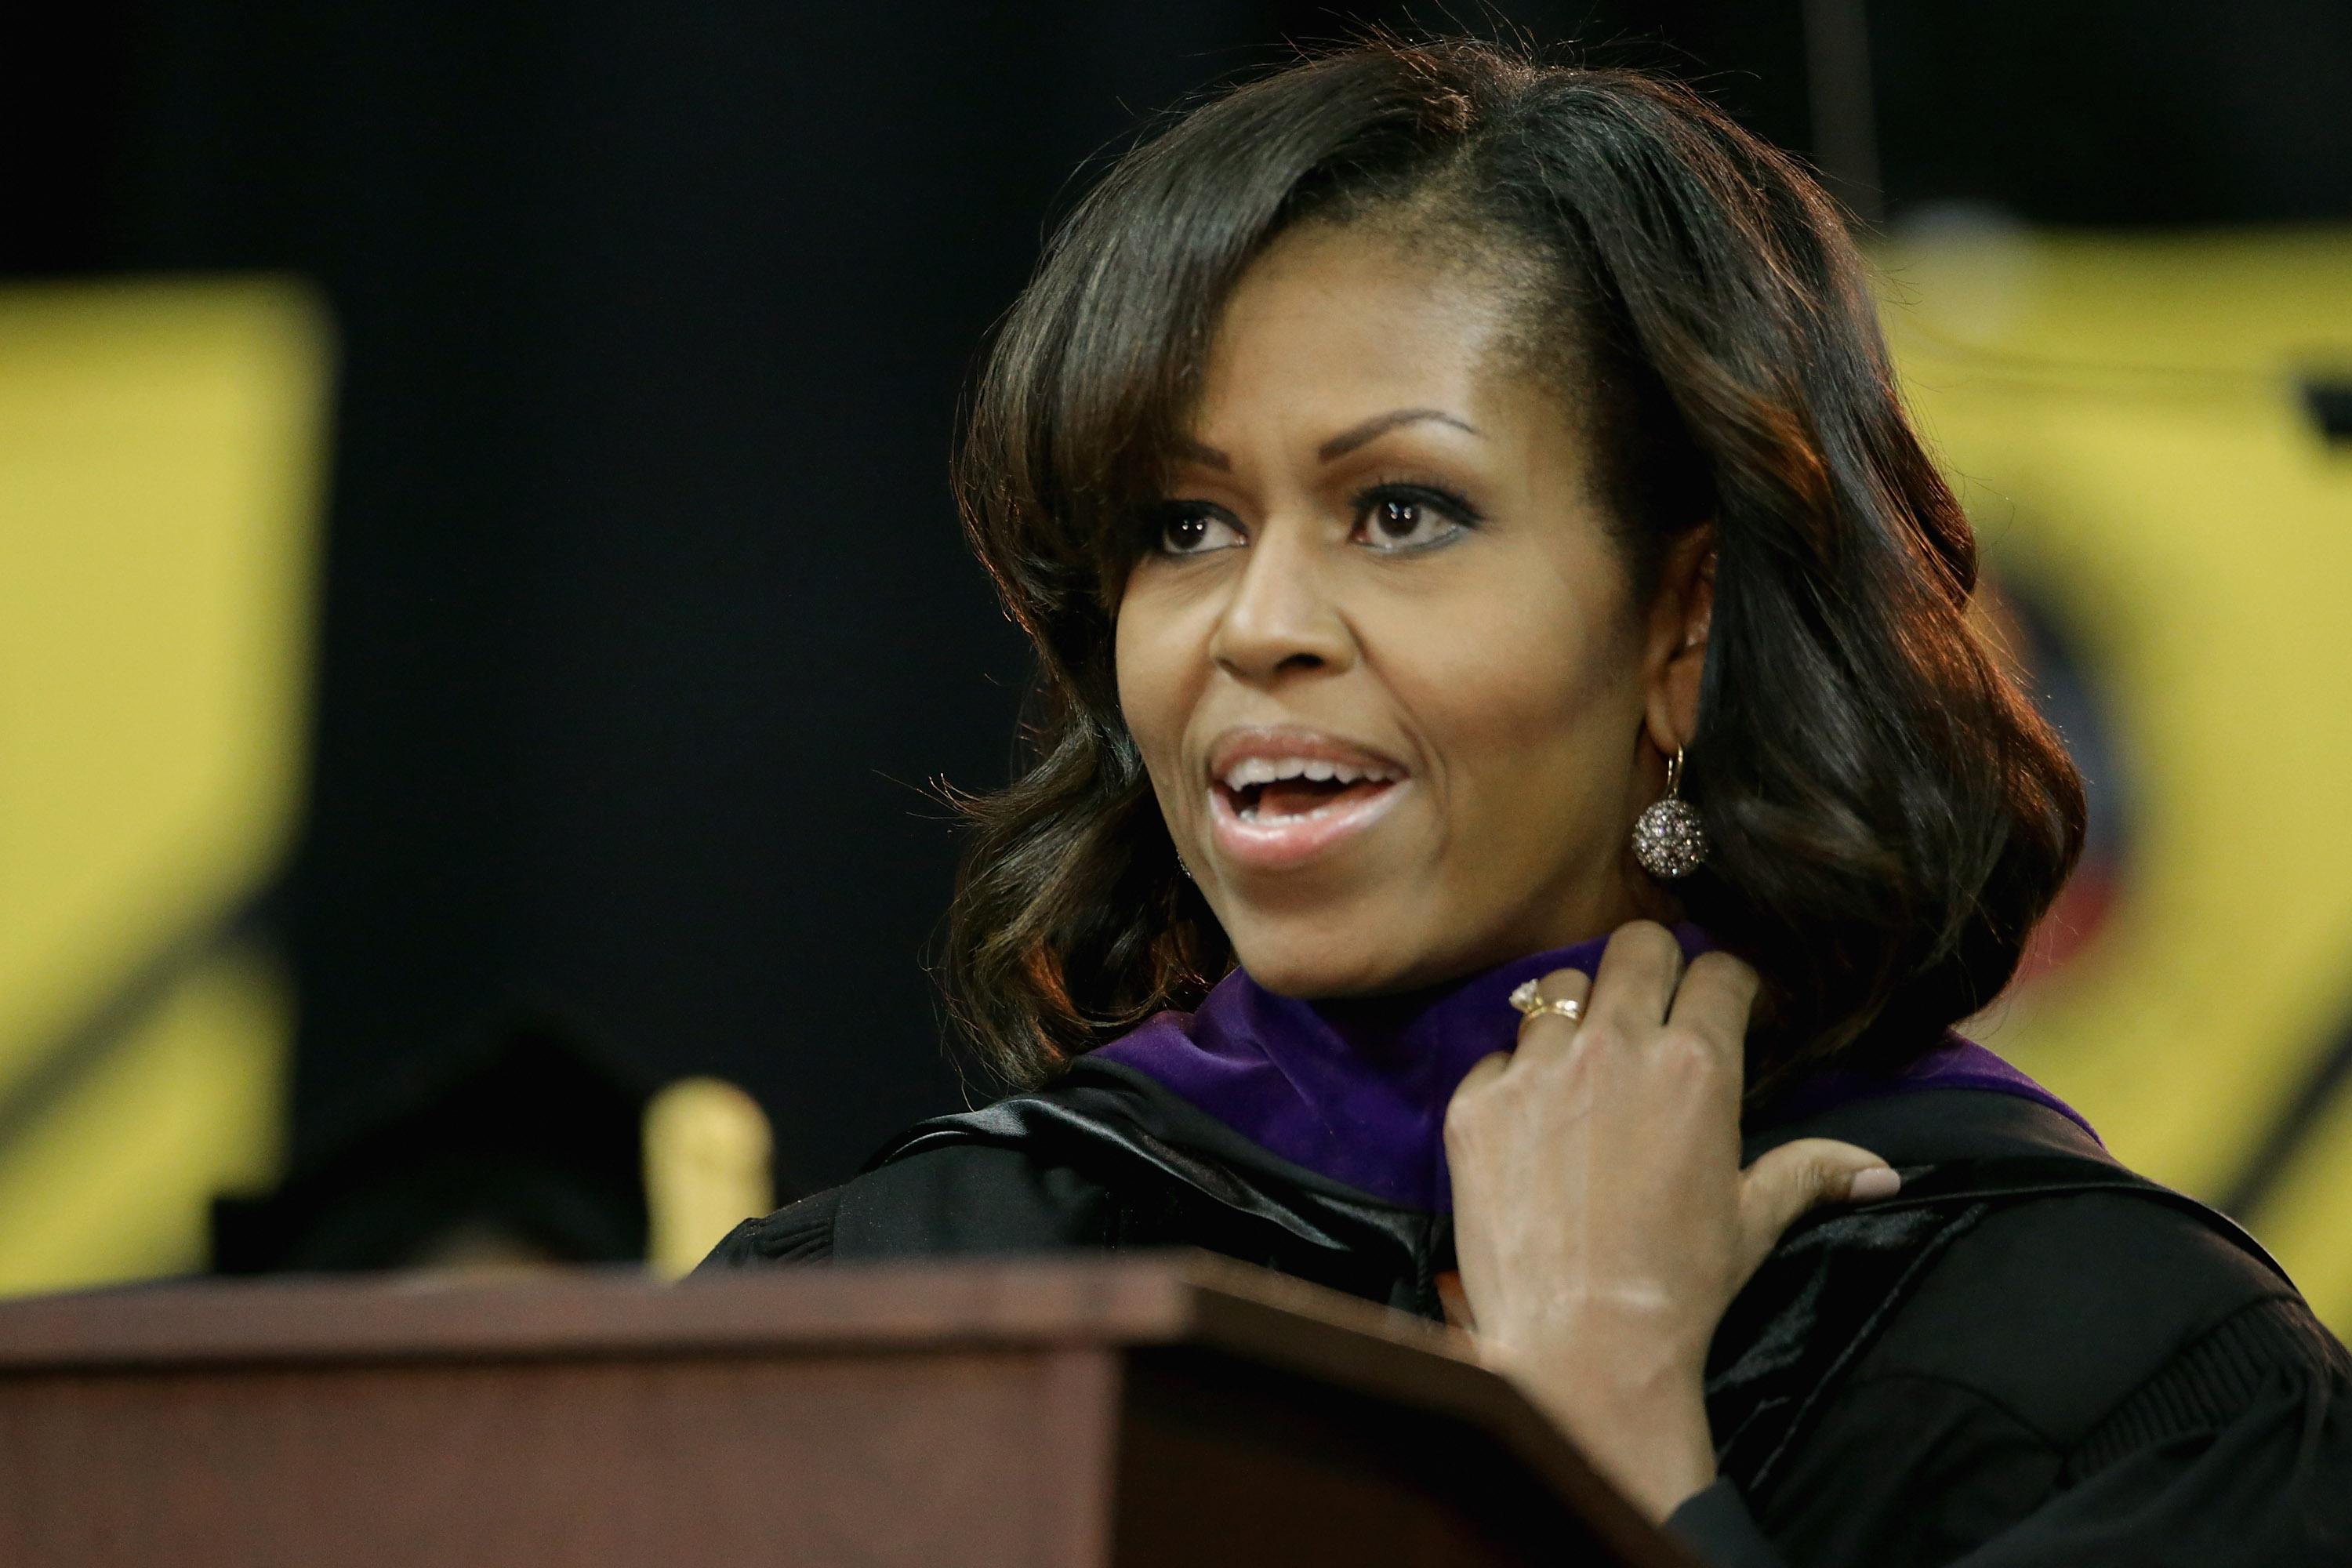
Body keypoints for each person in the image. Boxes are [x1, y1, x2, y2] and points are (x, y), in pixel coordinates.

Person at [699, 36, 2352, 1566]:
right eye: (1182, 526)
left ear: (1682, 628)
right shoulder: (895, 1303)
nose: (1255, 624)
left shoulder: (2099, 1367)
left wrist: (1607, 1423)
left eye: (1402, 510)